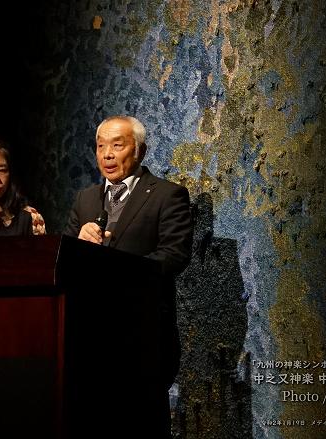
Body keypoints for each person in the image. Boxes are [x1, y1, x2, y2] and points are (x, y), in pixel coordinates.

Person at [64, 115, 193, 436]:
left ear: (140, 151)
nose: (107, 154)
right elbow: (63, 262)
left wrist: (122, 272)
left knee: (142, 423)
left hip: (142, 334)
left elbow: (175, 254)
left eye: (117, 145)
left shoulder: (167, 195)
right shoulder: (86, 199)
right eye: (100, 146)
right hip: (89, 337)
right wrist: (78, 242)